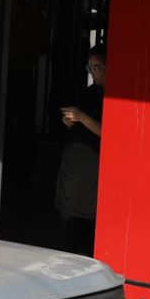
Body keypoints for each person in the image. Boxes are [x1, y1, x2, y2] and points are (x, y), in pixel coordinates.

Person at [55, 43, 106, 253]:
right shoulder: (90, 92)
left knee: (83, 231)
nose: (93, 73)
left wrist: (82, 117)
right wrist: (69, 120)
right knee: (67, 225)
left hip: (90, 171)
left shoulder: (113, 97)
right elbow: (79, 119)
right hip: (73, 168)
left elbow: (108, 132)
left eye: (97, 68)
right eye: (90, 68)